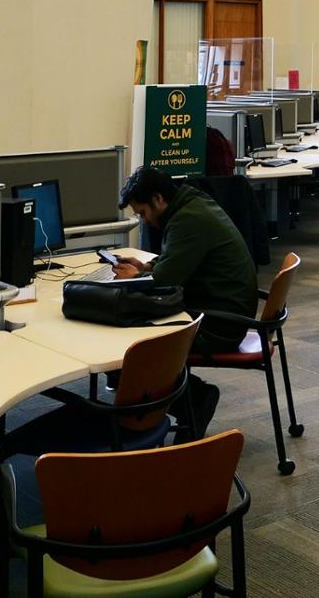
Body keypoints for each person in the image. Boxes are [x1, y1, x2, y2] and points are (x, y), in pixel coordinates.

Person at [112, 166, 258, 439]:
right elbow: (178, 260)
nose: (144, 221)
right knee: (131, 341)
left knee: (133, 349)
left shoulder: (188, 219)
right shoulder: (192, 202)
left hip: (219, 325)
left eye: (143, 212)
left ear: (157, 199)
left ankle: (195, 398)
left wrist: (139, 277)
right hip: (223, 309)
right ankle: (173, 402)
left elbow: (166, 281)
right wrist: (145, 267)